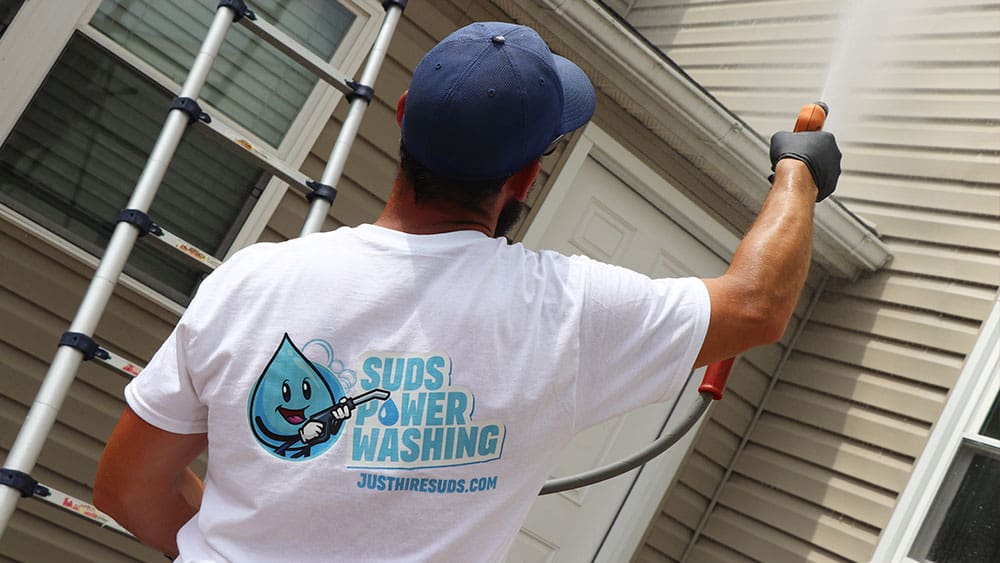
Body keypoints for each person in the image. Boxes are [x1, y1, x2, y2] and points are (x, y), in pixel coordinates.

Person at [94, 21, 841, 562]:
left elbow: (128, 489)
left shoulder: (251, 281)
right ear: (525, 177)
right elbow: (756, 304)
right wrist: (796, 175)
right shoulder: (566, 311)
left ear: (403, 115)